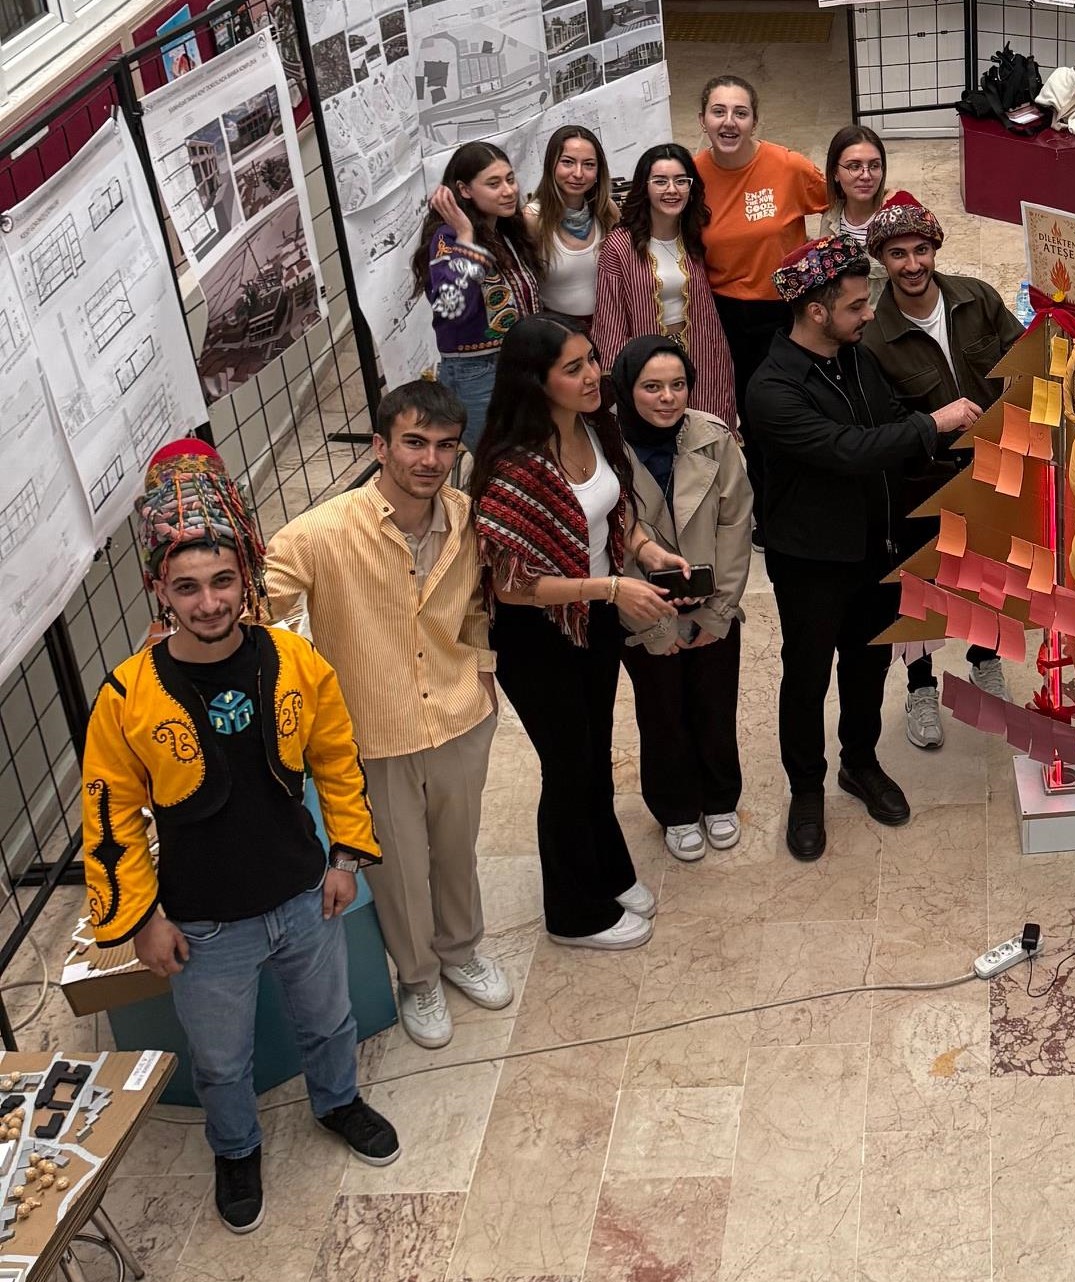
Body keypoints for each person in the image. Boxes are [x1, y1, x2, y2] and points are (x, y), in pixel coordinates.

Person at [81, 441, 399, 1234]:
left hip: (304, 897)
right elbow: (110, 818)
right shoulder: (126, 696)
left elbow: (337, 756)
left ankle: (338, 1102)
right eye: (187, 587)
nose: (209, 602)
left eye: (222, 581)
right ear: (160, 591)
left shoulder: (294, 660)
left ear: (246, 577)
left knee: (330, 1022)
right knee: (221, 1062)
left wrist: (346, 855)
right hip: (203, 924)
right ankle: (234, 1148)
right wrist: (141, 919)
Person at [264, 381, 515, 1051]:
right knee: (398, 864)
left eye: (444, 446)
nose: (430, 460)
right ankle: (419, 976)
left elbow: (476, 605)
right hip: (375, 732)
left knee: (456, 847)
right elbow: (264, 598)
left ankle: (461, 950)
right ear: (380, 446)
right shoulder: (321, 533)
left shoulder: (466, 519)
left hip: (460, 715)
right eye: (413, 443)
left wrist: (483, 672)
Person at [746, 236, 975, 861]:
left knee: (868, 665)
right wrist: (933, 423)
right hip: (813, 561)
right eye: (855, 306)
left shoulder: (856, 358)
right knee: (807, 675)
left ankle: (860, 762)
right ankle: (806, 790)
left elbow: (889, 419)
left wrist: (954, 433)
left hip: (877, 546)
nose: (869, 313)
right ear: (815, 311)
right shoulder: (773, 389)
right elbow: (846, 450)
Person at [469, 316, 692, 950]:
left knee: (594, 755)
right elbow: (513, 586)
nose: (593, 375)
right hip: (537, 637)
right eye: (574, 369)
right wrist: (611, 588)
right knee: (567, 768)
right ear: (535, 383)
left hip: (591, 621)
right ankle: (572, 913)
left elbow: (615, 514)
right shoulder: (515, 468)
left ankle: (609, 870)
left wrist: (645, 551)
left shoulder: (596, 426)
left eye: (591, 359)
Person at [857, 191, 1024, 748]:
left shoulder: (977, 297)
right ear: (882, 259)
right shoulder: (873, 336)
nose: (912, 264)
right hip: (923, 479)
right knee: (921, 585)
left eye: (921, 250)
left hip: (995, 465)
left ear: (935, 249)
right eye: (898, 253)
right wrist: (936, 420)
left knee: (993, 572)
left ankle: (985, 657)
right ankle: (921, 687)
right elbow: (884, 420)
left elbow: (1019, 356)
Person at [612, 335, 754, 862]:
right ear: (627, 389)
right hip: (643, 610)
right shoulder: (603, 446)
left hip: (711, 605)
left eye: (678, 385)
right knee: (661, 713)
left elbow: (735, 526)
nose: (668, 397)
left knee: (715, 705)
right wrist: (655, 627)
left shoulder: (713, 437)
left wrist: (718, 614)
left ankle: (720, 798)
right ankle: (674, 808)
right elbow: (609, 538)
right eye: (652, 387)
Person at [692, 75, 829, 417]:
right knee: (739, 405)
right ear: (702, 120)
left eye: (740, 113)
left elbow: (842, 199)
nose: (729, 122)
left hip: (784, 310)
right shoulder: (691, 177)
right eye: (718, 111)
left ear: (754, 122)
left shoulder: (788, 166)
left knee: (788, 405)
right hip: (721, 314)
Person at [591, 143, 741, 424]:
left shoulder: (696, 236)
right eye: (660, 181)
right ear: (644, 187)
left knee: (705, 431)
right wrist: (619, 380)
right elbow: (610, 321)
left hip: (703, 355)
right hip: (648, 361)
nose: (672, 190)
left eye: (680, 181)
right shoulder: (619, 246)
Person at [415, 142, 542, 446]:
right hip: (478, 374)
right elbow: (451, 308)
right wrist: (465, 237)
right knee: (498, 461)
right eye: (494, 184)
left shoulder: (505, 231)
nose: (508, 191)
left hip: (522, 365)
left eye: (510, 179)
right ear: (465, 190)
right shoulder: (447, 238)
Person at [525, 125, 619, 330]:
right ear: (551, 165)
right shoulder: (532, 219)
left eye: (589, 164)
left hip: (609, 329)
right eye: (567, 162)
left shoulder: (607, 211)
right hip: (556, 334)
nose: (578, 173)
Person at [822, 123, 890, 298]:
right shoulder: (829, 220)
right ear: (835, 173)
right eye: (854, 166)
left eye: (874, 166)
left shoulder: (895, 218)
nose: (866, 176)